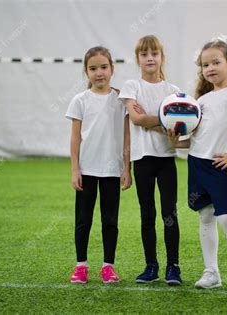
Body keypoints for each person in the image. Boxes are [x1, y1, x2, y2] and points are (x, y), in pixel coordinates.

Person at [170, 34, 227, 293]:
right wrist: (172, 136)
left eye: (215, 62)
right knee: (206, 216)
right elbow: (191, 140)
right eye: (205, 65)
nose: (210, 68)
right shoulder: (199, 101)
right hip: (196, 165)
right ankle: (211, 273)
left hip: (218, 167)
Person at [118, 35, 182, 285]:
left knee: (170, 214)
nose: (150, 58)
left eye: (154, 53)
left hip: (166, 159)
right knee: (148, 214)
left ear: (161, 57)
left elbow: (181, 128)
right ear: (138, 59)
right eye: (144, 54)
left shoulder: (174, 92)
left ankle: (173, 267)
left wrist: (150, 121)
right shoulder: (131, 86)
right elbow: (135, 120)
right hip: (142, 160)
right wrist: (164, 121)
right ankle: (151, 266)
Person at [66, 46, 132, 284]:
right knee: (83, 220)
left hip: (112, 171)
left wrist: (127, 167)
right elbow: (75, 138)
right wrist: (75, 169)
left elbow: (127, 135)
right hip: (86, 170)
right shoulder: (80, 100)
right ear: (86, 72)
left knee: (110, 221)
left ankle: (108, 266)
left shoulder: (121, 100)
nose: (99, 72)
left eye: (104, 67)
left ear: (112, 69)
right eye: (93, 68)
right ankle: (81, 265)